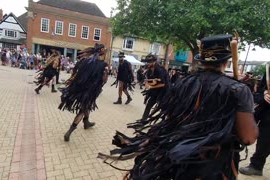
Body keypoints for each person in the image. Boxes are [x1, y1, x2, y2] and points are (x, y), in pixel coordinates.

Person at [98, 34, 258, 179]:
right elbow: (248, 137)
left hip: (180, 158)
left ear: (201, 60)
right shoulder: (239, 90)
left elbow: (170, 119)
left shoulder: (183, 82)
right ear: (227, 61)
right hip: (213, 166)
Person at [59, 43, 108, 142]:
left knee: (87, 106)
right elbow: (104, 80)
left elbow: (77, 73)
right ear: (102, 52)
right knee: (83, 109)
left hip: (79, 89)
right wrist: (105, 74)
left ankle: (86, 122)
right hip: (90, 91)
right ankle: (69, 131)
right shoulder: (103, 65)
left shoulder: (85, 61)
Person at [239, 70, 270, 176]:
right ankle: (256, 166)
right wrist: (265, 93)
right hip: (267, 114)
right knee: (264, 139)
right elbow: (261, 88)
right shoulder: (269, 68)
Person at [141, 54, 169, 121]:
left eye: (150, 62)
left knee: (163, 108)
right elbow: (151, 81)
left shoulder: (159, 70)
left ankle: (165, 123)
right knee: (148, 106)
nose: (148, 63)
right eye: (147, 62)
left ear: (154, 62)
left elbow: (163, 84)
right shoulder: (149, 71)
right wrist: (147, 83)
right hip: (155, 91)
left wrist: (150, 86)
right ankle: (143, 121)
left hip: (164, 91)